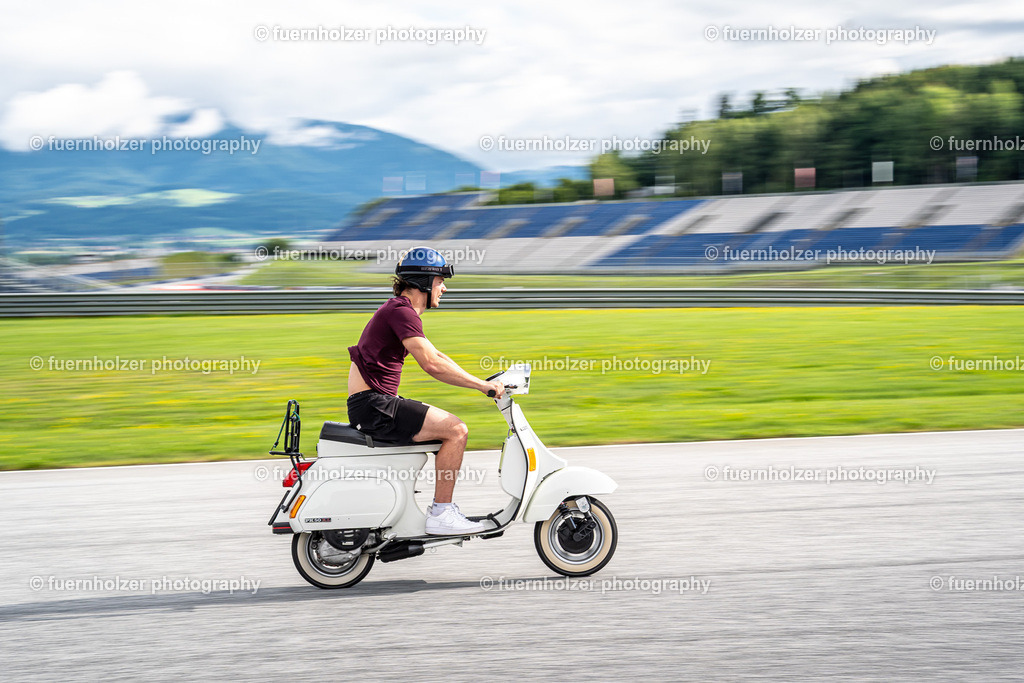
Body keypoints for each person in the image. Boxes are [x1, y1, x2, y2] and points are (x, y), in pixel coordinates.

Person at [346, 247, 505, 535]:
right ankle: (442, 513)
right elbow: (431, 365)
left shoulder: (398, 311)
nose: (444, 288)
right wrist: (483, 387)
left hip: (374, 403)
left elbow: (438, 355)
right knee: (456, 430)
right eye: (440, 281)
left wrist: (483, 382)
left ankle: (434, 510)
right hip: (375, 406)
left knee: (445, 427)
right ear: (423, 282)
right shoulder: (401, 311)